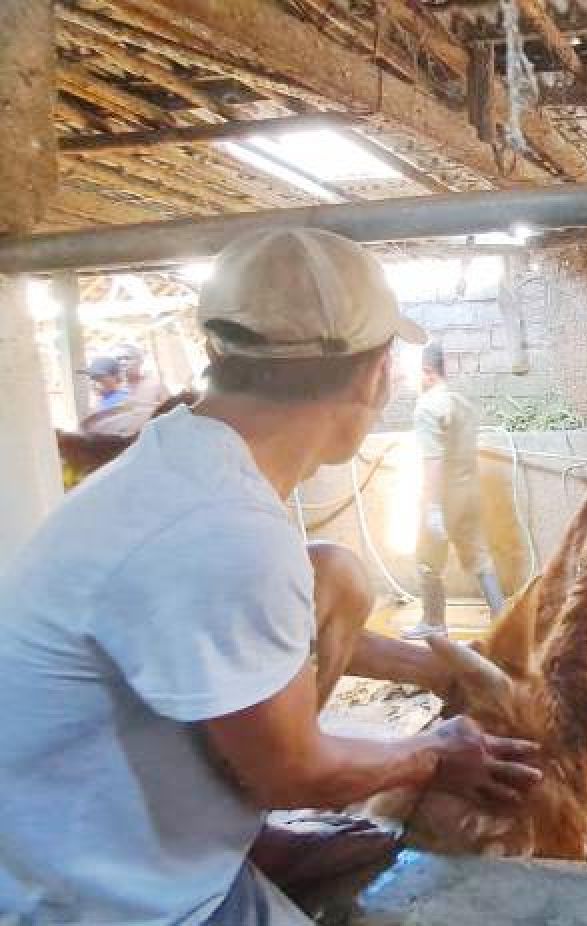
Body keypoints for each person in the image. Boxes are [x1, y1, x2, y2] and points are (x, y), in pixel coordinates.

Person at [0, 228, 541, 926]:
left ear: (214, 351)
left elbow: (252, 642)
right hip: (109, 898)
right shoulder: (228, 530)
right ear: (376, 374)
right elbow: (293, 774)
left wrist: (437, 671)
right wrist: (431, 755)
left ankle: (244, 839)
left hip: (55, 838)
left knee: (335, 572)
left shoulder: (182, 462)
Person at [401, 339, 505, 639]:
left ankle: (434, 623)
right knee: (480, 557)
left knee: (426, 561)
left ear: (427, 372)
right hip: (470, 493)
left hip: (445, 498)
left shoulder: (427, 408)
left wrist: (432, 508)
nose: (409, 379)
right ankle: (501, 619)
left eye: (413, 373)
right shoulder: (461, 402)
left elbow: (432, 461)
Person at [115, 342, 172, 410]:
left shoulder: (156, 386)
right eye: (118, 359)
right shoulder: (116, 391)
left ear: (140, 361)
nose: (123, 363)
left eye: (127, 358)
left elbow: (175, 414)